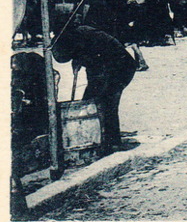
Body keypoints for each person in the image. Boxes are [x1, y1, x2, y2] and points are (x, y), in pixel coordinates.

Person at [52, 24, 139, 152]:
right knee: (94, 101)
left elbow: (97, 67)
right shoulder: (77, 36)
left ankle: (111, 142)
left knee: (107, 103)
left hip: (120, 66)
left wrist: (79, 61)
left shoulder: (79, 37)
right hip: (108, 65)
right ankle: (100, 137)